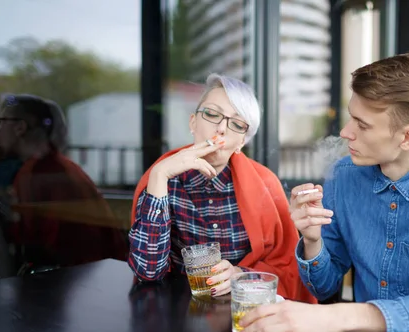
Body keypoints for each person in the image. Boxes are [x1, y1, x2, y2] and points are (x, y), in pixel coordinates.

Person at [236, 53, 409, 332]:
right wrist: (312, 240)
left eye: (362, 125)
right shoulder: (345, 175)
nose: (345, 132)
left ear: (408, 138)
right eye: (351, 116)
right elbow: (324, 287)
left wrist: (342, 318)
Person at [128, 73, 315, 303]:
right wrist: (159, 175)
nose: (221, 129)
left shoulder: (266, 184)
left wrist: (241, 275)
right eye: (212, 114)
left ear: (242, 142)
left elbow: (286, 267)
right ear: (193, 122)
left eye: (236, 124)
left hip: (243, 311)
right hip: (173, 310)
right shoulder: (162, 178)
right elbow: (147, 272)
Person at [0, 94, 127, 276]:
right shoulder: (58, 166)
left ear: (20, 127)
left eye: (1, 121)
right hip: (104, 272)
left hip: (83, 280)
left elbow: (36, 242)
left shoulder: (37, 174)